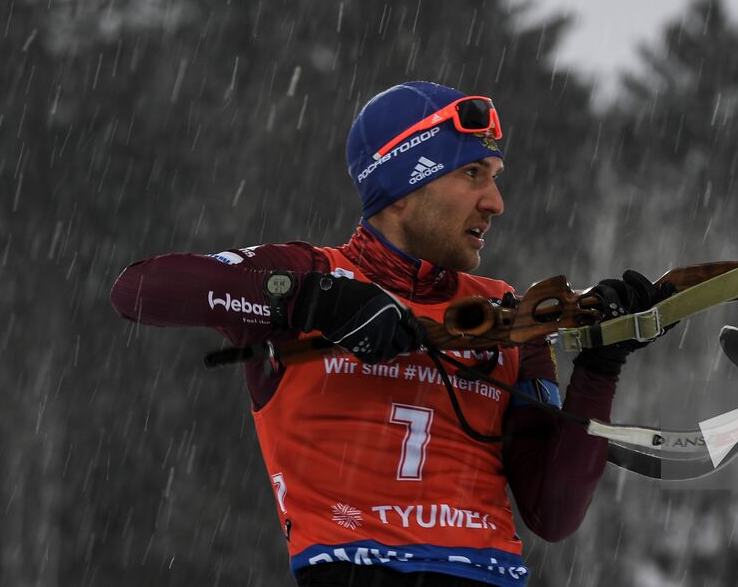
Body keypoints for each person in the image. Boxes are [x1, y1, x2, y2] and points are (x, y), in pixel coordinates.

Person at [111, 81, 671, 587]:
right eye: (472, 174)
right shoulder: (313, 270)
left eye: (494, 179)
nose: (495, 203)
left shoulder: (506, 312)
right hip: (353, 569)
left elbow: (554, 511)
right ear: (402, 188)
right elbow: (139, 290)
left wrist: (600, 368)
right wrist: (312, 298)